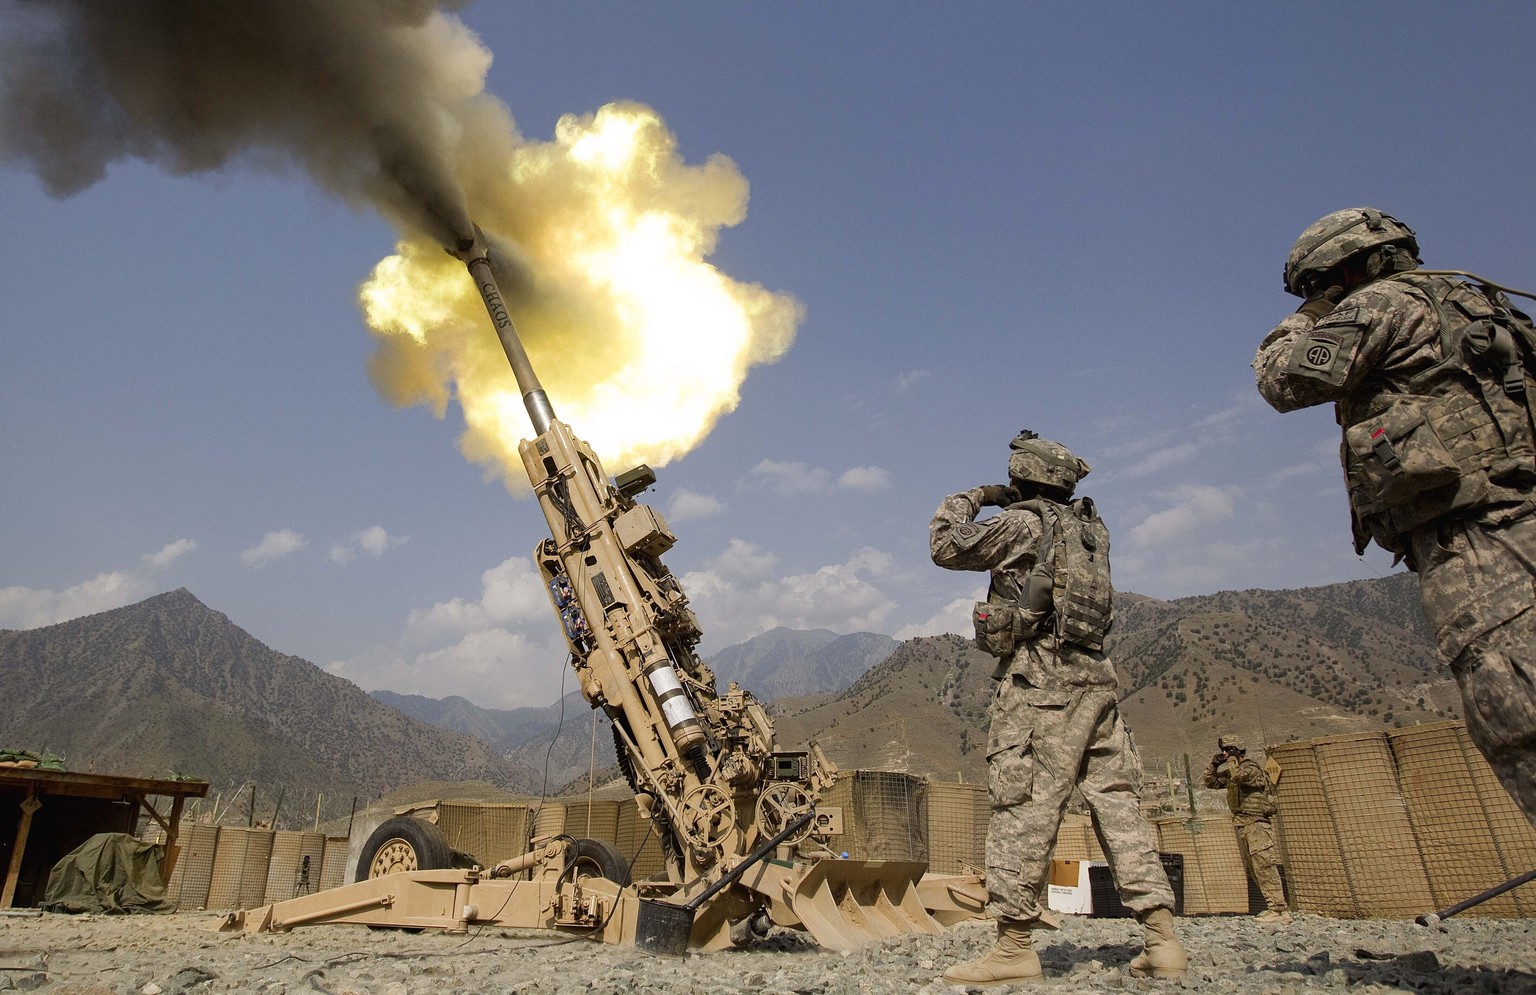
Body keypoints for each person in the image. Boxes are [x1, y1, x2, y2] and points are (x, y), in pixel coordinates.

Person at [1254, 208, 1536, 829]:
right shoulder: (1480, 306)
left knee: (1511, 704)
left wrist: (1306, 316)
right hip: (1519, 508)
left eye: (1316, 284)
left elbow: (1282, 379)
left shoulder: (1379, 304)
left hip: (1477, 533)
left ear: (1346, 269)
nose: (1314, 298)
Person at [929, 430, 1186, 985]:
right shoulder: (1091, 530)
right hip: (1096, 679)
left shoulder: (1026, 525)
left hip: (1041, 683)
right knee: (1118, 805)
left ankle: (1014, 946)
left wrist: (975, 495)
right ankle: (1162, 939)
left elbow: (945, 546)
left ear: (1022, 476)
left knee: (1022, 806)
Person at [1202, 734, 1289, 923]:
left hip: (1256, 823)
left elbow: (1238, 776)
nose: (1224, 753)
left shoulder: (1252, 769)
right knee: (1254, 868)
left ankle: (1279, 909)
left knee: (1264, 865)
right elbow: (1211, 782)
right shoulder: (1234, 771)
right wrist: (1214, 765)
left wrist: (1233, 760)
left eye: (1227, 750)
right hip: (1243, 824)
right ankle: (1273, 907)